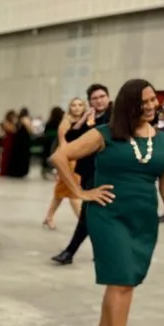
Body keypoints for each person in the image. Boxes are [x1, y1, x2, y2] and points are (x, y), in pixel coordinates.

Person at [49, 79, 164, 326]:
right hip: (108, 216)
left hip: (143, 220)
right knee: (122, 281)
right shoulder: (105, 134)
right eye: (144, 101)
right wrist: (81, 192)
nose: (152, 106)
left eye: (153, 100)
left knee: (122, 283)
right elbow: (61, 156)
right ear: (129, 105)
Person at [51, 83, 112, 265]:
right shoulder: (90, 117)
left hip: (108, 171)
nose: (99, 101)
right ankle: (96, 251)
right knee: (91, 214)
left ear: (108, 97)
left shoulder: (114, 116)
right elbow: (70, 138)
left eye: (102, 96)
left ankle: (70, 252)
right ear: (90, 102)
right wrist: (83, 119)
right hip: (89, 170)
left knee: (89, 213)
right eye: (95, 98)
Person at [42, 99, 85, 230]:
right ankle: (84, 224)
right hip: (70, 161)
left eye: (80, 105)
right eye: (74, 105)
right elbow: (63, 144)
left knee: (60, 192)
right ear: (69, 108)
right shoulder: (66, 122)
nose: (77, 108)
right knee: (74, 192)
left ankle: (48, 217)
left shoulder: (86, 121)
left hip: (80, 159)